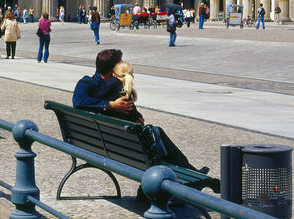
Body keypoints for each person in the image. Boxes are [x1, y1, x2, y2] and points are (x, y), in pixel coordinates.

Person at [73, 49, 206, 172]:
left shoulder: (88, 83)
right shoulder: (112, 88)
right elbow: (78, 101)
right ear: (114, 68)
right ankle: (189, 171)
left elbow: (79, 101)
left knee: (155, 136)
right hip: (120, 145)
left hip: (96, 142)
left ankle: (188, 169)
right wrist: (111, 105)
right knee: (156, 135)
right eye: (121, 63)